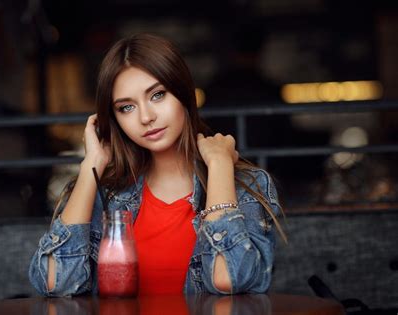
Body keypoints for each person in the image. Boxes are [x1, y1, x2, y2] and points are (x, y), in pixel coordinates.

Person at [28, 33, 286, 297]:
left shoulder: (246, 185)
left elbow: (229, 279)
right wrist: (90, 165)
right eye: (126, 108)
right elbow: (54, 284)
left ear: (184, 94)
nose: (146, 117)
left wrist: (220, 165)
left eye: (158, 95)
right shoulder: (103, 193)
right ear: (114, 119)